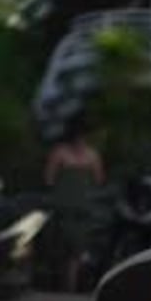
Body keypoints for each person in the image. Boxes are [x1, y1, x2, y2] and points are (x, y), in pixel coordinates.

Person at [44, 113, 105, 291]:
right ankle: (59, 283)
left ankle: (70, 286)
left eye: (83, 136)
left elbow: (99, 179)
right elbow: (49, 178)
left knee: (77, 249)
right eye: (77, 136)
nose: (80, 139)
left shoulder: (93, 155)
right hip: (62, 206)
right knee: (60, 246)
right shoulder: (60, 152)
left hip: (83, 207)